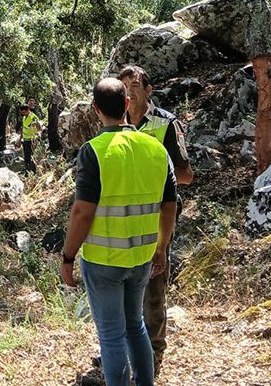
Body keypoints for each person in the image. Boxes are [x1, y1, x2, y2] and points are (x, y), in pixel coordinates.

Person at [60, 78, 177, 386]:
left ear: (96, 109)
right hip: (141, 258)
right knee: (135, 325)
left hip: (103, 261)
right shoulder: (155, 148)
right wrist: (161, 248)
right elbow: (169, 205)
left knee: (111, 335)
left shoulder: (94, 152)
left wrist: (68, 257)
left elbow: (82, 212)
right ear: (128, 104)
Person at [118, 65, 193, 376]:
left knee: (153, 288)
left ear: (148, 90)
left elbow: (186, 174)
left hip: (157, 217)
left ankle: (154, 352)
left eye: (135, 85)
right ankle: (122, 348)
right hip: (122, 219)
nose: (129, 93)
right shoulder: (115, 124)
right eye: (124, 87)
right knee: (121, 286)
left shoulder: (165, 124)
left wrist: (155, 173)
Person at [19, 104, 42, 174]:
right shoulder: (24, 117)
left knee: (30, 157)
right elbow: (23, 128)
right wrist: (20, 139)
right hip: (25, 140)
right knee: (26, 157)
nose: (22, 114)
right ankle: (27, 171)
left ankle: (32, 172)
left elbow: (39, 128)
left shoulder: (33, 118)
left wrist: (37, 137)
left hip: (31, 140)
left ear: (28, 110)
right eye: (22, 112)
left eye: (24, 112)